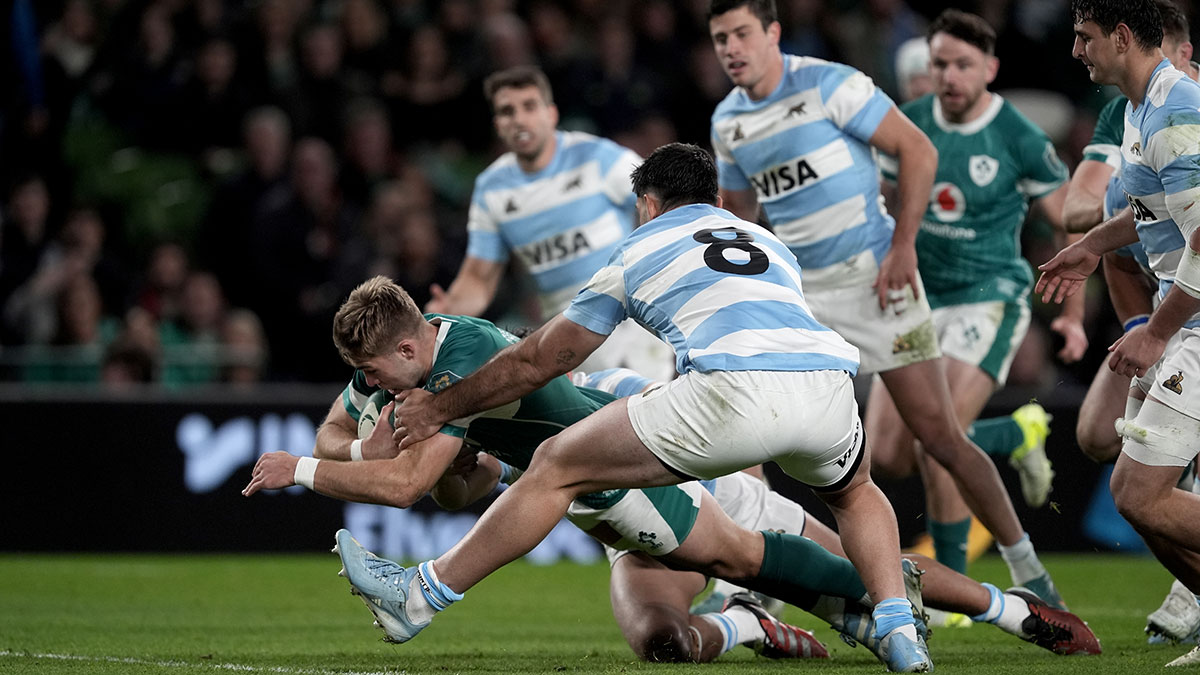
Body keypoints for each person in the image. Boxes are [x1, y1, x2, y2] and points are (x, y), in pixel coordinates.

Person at [351, 143, 934, 671]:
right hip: (827, 385)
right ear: (718, 200)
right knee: (856, 494)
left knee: (555, 462)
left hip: (730, 396)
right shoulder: (769, 244)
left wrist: (437, 409)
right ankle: (898, 627)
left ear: (649, 205)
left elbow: (542, 359)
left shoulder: (640, 247)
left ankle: (419, 596)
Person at [704, 0, 1064, 606]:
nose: (731, 48)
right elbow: (742, 217)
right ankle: (753, 586)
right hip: (803, 298)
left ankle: (1029, 572)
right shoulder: (728, 122)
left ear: (772, 33)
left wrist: (902, 248)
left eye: (741, 34)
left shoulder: (829, 84)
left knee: (940, 438)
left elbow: (918, 152)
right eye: (719, 39)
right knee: (759, 431)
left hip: (879, 286)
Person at [570, 368, 1099, 662]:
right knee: (664, 646)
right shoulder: (506, 435)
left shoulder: (610, 386)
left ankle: (1012, 610)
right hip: (643, 540)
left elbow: (711, 417)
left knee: (875, 573)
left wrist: (752, 485)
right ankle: (745, 623)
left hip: (732, 510)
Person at [869, 10, 1083, 599]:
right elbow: (881, 206)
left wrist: (1070, 313)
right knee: (886, 454)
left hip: (987, 299)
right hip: (917, 302)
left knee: (938, 441)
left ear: (989, 68)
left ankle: (952, 592)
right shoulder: (907, 125)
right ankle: (1016, 435)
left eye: (963, 64)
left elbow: (1070, 224)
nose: (950, 76)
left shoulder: (1019, 137)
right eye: (940, 64)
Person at [1037, 0, 1200, 666]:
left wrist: (1154, 333)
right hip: (1184, 313)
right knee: (1135, 499)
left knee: (1138, 491)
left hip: (1192, 321)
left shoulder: (1176, 113)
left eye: (1085, 37)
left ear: (1123, 37)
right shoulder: (1139, 108)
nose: (1076, 50)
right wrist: (1090, 245)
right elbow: (1149, 209)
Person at [424, 65, 674, 382]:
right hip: (561, 338)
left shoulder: (597, 157)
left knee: (643, 418)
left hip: (628, 324)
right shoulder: (492, 188)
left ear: (551, 114)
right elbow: (479, 278)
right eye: (507, 111)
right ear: (498, 124)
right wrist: (445, 313)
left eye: (529, 106)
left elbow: (665, 203)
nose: (519, 119)